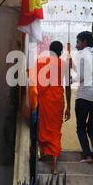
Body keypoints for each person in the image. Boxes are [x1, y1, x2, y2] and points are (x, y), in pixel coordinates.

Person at [30, 41, 71, 175]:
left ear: (49, 50)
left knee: (43, 126)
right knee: (54, 131)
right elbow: (68, 86)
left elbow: (35, 81)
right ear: (61, 51)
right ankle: (53, 167)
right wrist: (69, 106)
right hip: (58, 100)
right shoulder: (64, 64)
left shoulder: (40, 61)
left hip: (44, 98)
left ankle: (42, 155)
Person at [73, 31, 93, 165]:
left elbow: (80, 76)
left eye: (78, 42)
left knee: (81, 127)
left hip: (84, 95)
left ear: (84, 42)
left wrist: (71, 76)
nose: (76, 45)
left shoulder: (81, 55)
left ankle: (88, 155)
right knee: (92, 127)